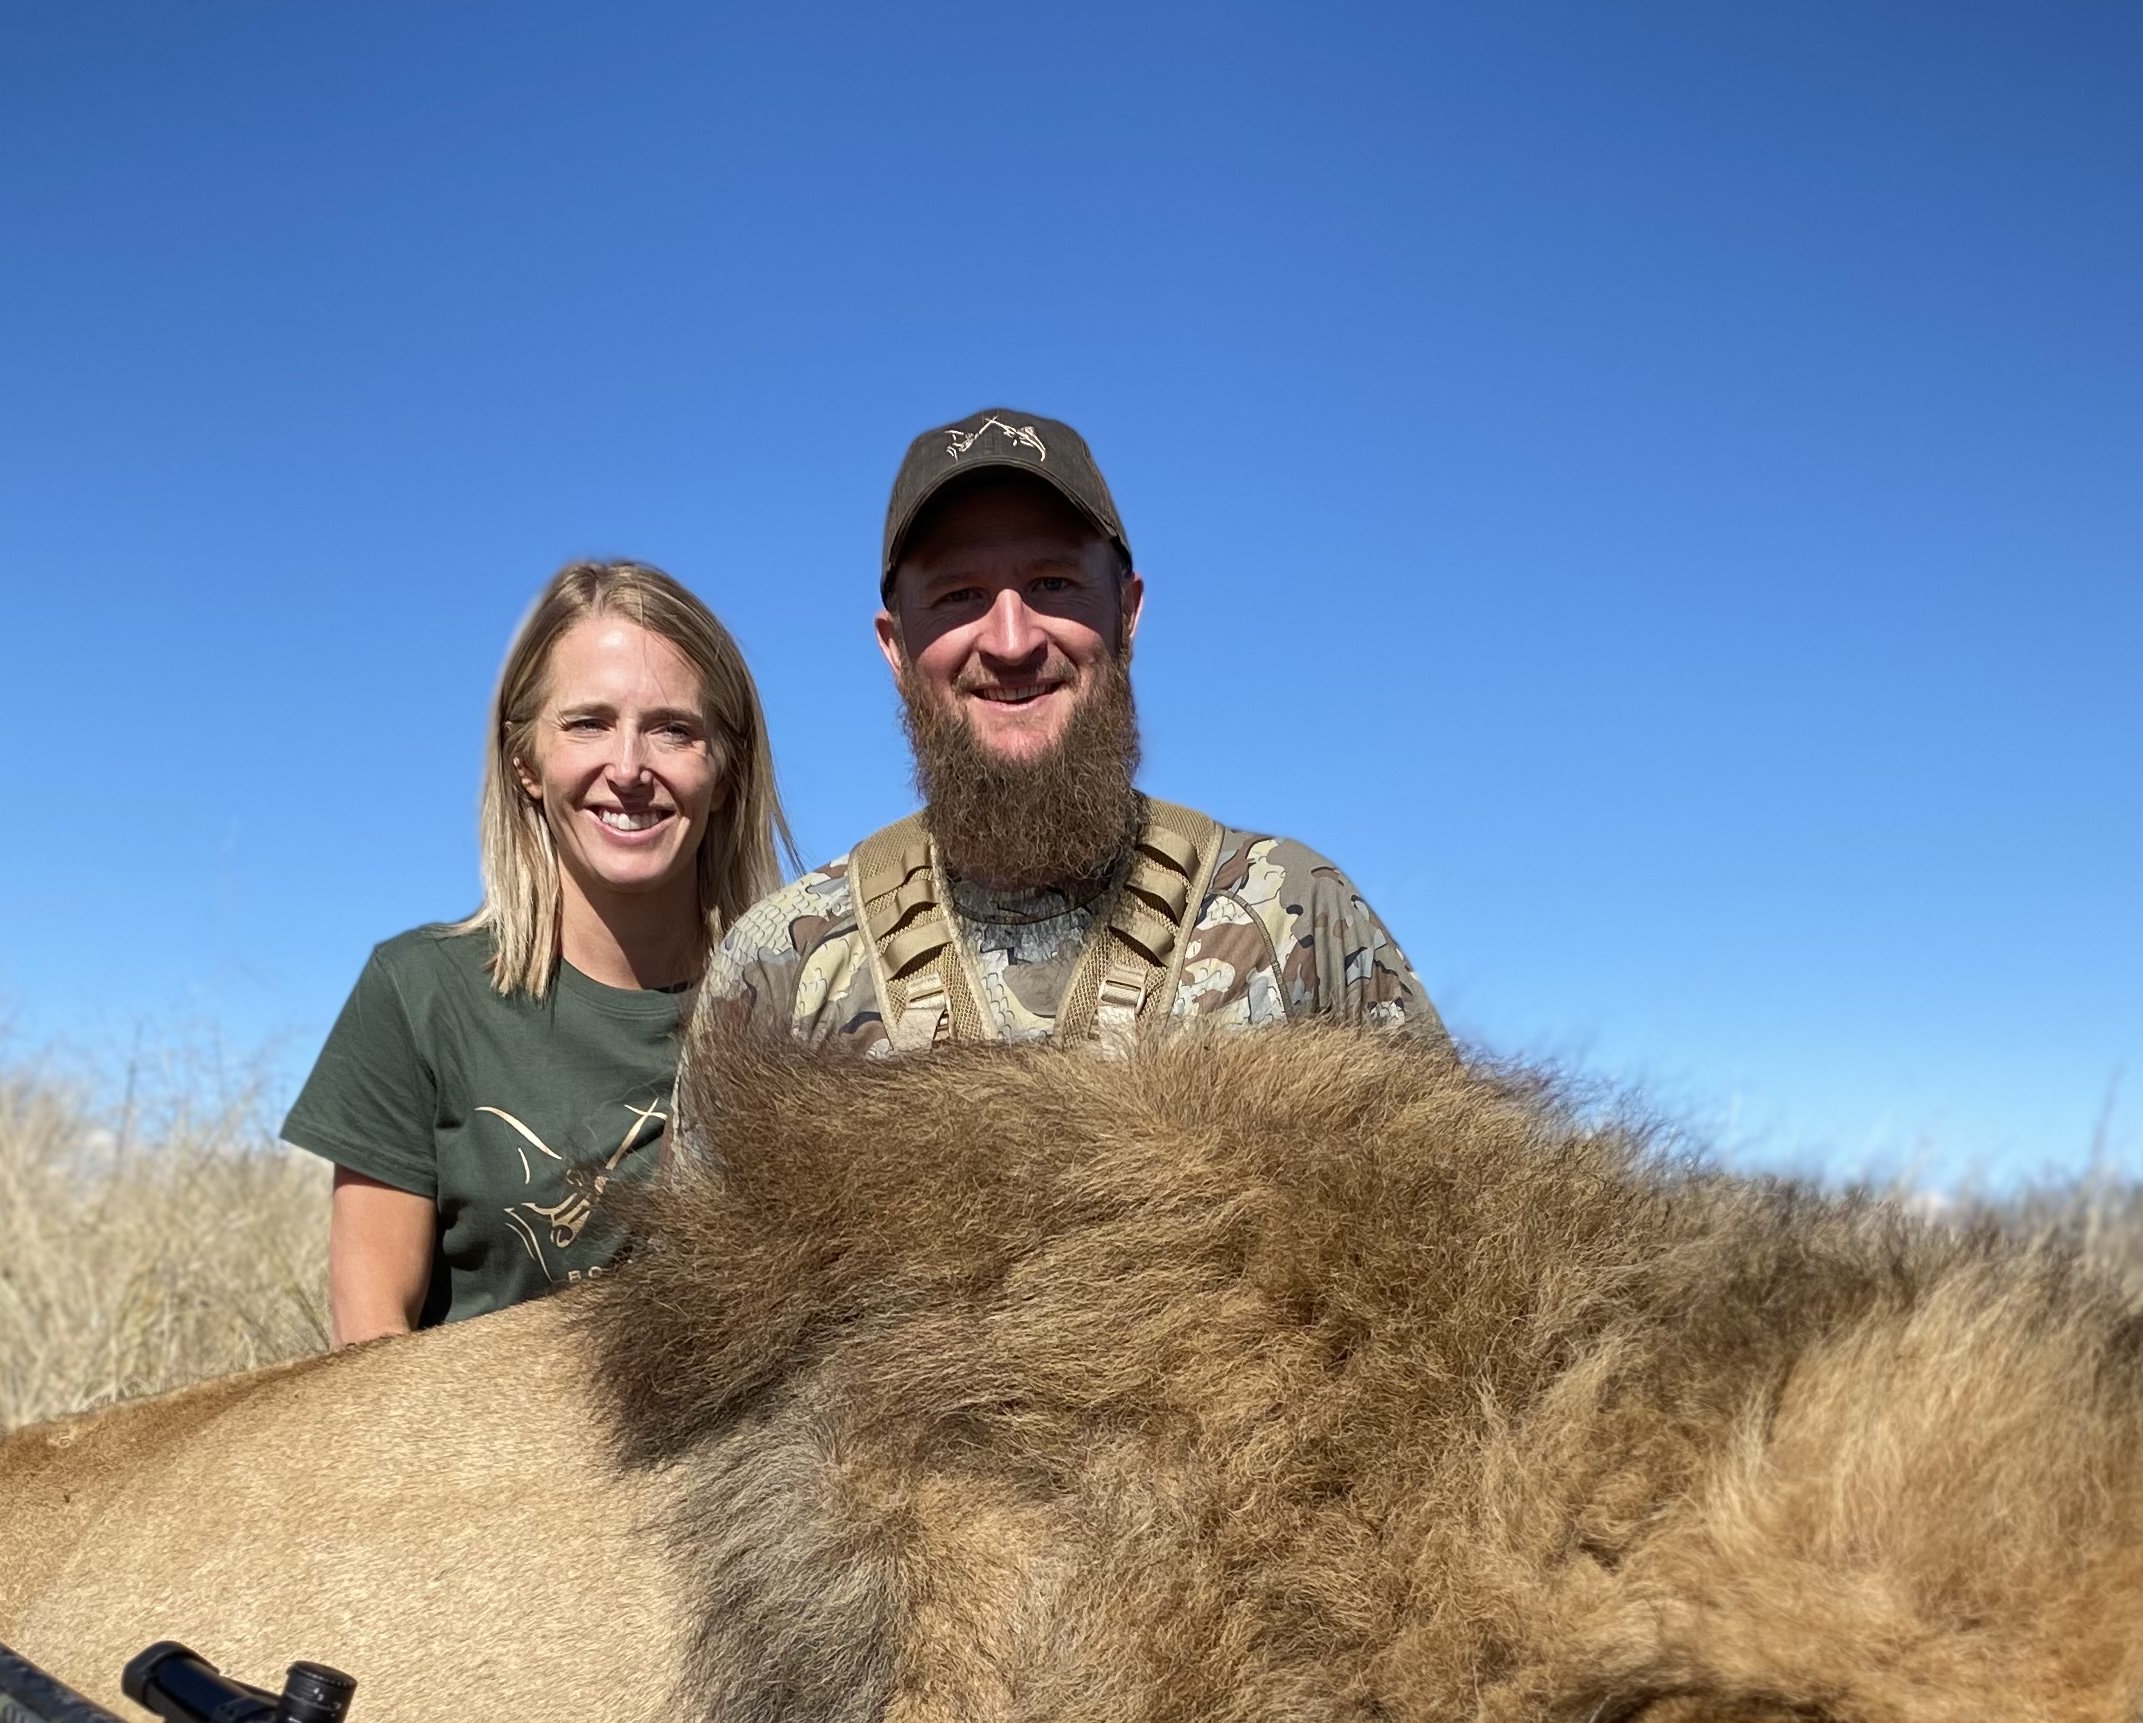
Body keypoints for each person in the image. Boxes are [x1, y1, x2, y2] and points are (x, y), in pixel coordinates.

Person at [683, 407, 1442, 1067]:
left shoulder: (1291, 914)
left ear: (1128, 611)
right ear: (894, 646)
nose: (1011, 640)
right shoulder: (780, 966)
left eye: (1052, 583)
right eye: (958, 595)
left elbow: (1459, 1216)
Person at [286, 561, 792, 1337]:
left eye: (673, 729)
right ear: (525, 761)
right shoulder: (419, 994)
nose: (628, 769)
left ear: (723, 772)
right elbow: (370, 1339)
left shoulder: (798, 1005)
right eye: (588, 722)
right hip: (468, 1455)